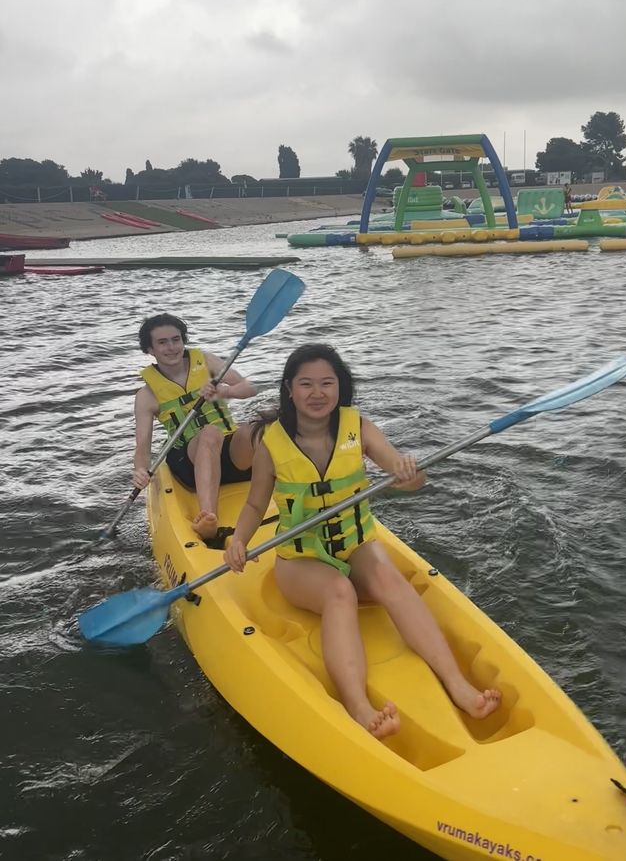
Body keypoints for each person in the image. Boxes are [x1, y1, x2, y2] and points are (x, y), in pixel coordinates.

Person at [224, 343, 501, 740]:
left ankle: (458, 686)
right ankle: (358, 707)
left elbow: (403, 473)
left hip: (357, 544)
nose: (317, 393)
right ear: (289, 389)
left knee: (390, 581)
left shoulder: (359, 427)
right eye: (306, 384)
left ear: (341, 387)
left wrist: (410, 475)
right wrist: (238, 539)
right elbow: (254, 503)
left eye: (326, 383)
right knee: (339, 592)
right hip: (302, 561)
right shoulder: (271, 441)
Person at [133, 313, 256, 541]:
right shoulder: (146, 396)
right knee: (210, 432)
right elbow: (142, 448)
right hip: (187, 462)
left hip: (229, 454)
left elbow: (250, 388)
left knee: (258, 429)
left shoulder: (206, 362)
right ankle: (208, 518)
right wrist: (140, 471)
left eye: (176, 339)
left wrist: (226, 391)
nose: (172, 347)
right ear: (150, 349)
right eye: (162, 342)